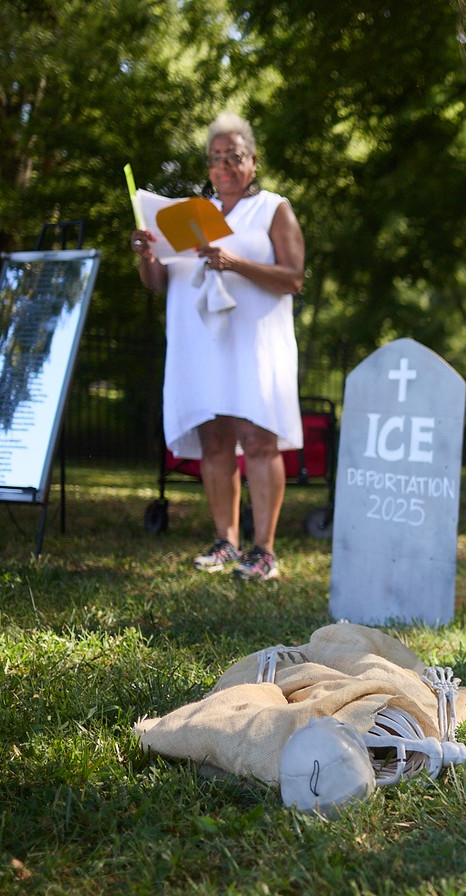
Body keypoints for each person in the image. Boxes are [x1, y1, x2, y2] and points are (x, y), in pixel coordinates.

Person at [131, 112, 305, 582]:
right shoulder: (187, 213)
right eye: (215, 158)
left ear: (253, 161)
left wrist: (234, 262)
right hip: (201, 346)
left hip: (254, 342)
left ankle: (263, 550)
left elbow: (294, 278)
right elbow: (160, 282)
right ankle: (225, 541)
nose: (224, 165)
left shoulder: (273, 208)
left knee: (259, 439)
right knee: (214, 442)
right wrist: (147, 257)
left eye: (234, 156)